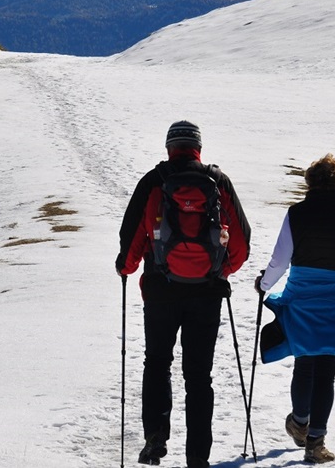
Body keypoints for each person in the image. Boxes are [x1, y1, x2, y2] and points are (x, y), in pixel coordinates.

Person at [116, 120, 252, 468]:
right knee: (198, 375)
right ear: (198, 148)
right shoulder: (218, 182)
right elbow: (241, 243)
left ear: (169, 147)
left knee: (157, 363)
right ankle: (197, 457)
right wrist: (219, 270)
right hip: (206, 293)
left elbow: (132, 235)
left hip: (161, 290)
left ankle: (155, 440)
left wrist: (126, 268)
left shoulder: (153, 181)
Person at [255, 153, 335, 464]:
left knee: (304, 364)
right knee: (326, 374)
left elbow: (280, 260)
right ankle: (316, 442)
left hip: (302, 300)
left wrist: (264, 284)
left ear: (311, 182)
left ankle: (300, 422)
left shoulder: (296, 214)